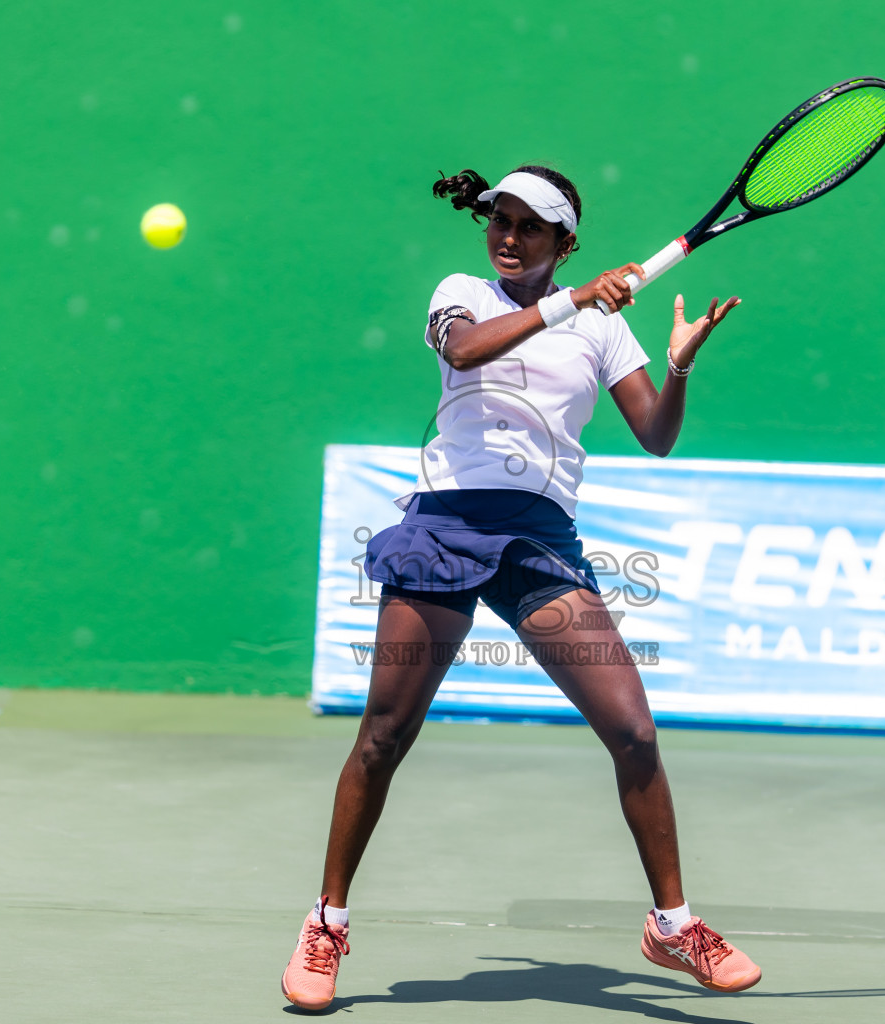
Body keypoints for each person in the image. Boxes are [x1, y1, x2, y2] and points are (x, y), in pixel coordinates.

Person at [281, 165, 757, 1011]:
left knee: (634, 730)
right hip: (447, 528)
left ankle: (674, 925)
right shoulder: (463, 291)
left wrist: (678, 368)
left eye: (531, 226)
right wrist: (575, 300)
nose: (509, 235)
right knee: (385, 735)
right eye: (500, 219)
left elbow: (655, 436)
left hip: (538, 541)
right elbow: (464, 350)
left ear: (565, 242)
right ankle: (326, 924)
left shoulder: (605, 332)